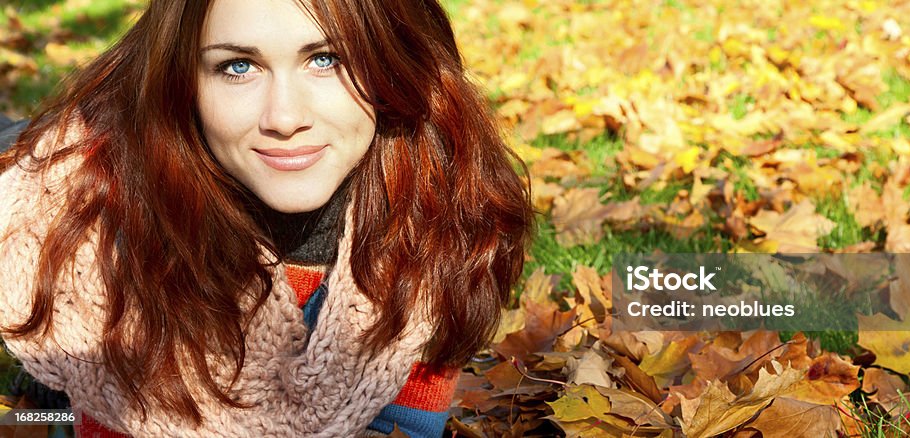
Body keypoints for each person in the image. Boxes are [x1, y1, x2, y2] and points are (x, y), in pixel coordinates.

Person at [0, 0, 532, 436]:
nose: (284, 118)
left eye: (326, 59)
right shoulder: (101, 228)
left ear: (394, 62)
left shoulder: (436, 210)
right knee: (44, 414)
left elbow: (406, 425)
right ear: (184, 84)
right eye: (238, 66)